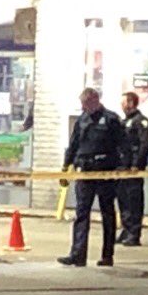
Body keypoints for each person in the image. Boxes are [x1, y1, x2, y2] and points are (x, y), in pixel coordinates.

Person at [59, 88, 124, 268]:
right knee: (81, 213)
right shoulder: (82, 120)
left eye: (86, 104)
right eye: (82, 104)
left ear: (95, 100)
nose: (83, 107)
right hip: (85, 171)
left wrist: (122, 169)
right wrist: (66, 167)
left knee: (107, 213)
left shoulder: (111, 119)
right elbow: (73, 145)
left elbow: (122, 145)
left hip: (105, 172)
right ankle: (78, 254)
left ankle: (107, 255)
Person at [117, 91, 148, 247]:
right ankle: (126, 229)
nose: (122, 105)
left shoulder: (141, 122)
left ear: (131, 103)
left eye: (124, 102)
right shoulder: (124, 122)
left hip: (133, 168)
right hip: (122, 167)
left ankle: (134, 233)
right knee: (123, 199)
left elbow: (145, 145)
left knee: (134, 201)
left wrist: (136, 165)